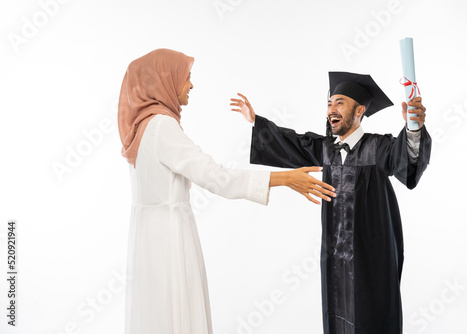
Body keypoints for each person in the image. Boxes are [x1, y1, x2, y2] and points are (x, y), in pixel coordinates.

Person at [117, 48, 335, 334]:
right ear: (165, 79)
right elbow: (216, 177)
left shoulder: (141, 128)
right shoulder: (162, 126)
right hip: (170, 235)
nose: (191, 85)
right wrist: (284, 179)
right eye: (186, 77)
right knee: (177, 311)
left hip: (148, 236)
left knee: (158, 313)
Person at [231, 71, 432, 334]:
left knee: (373, 317)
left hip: (371, 257)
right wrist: (256, 121)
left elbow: (405, 161)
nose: (331, 110)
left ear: (359, 110)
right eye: (329, 103)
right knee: (338, 315)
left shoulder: (379, 148)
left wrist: (413, 128)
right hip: (336, 258)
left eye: (339, 103)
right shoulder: (327, 149)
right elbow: (290, 142)